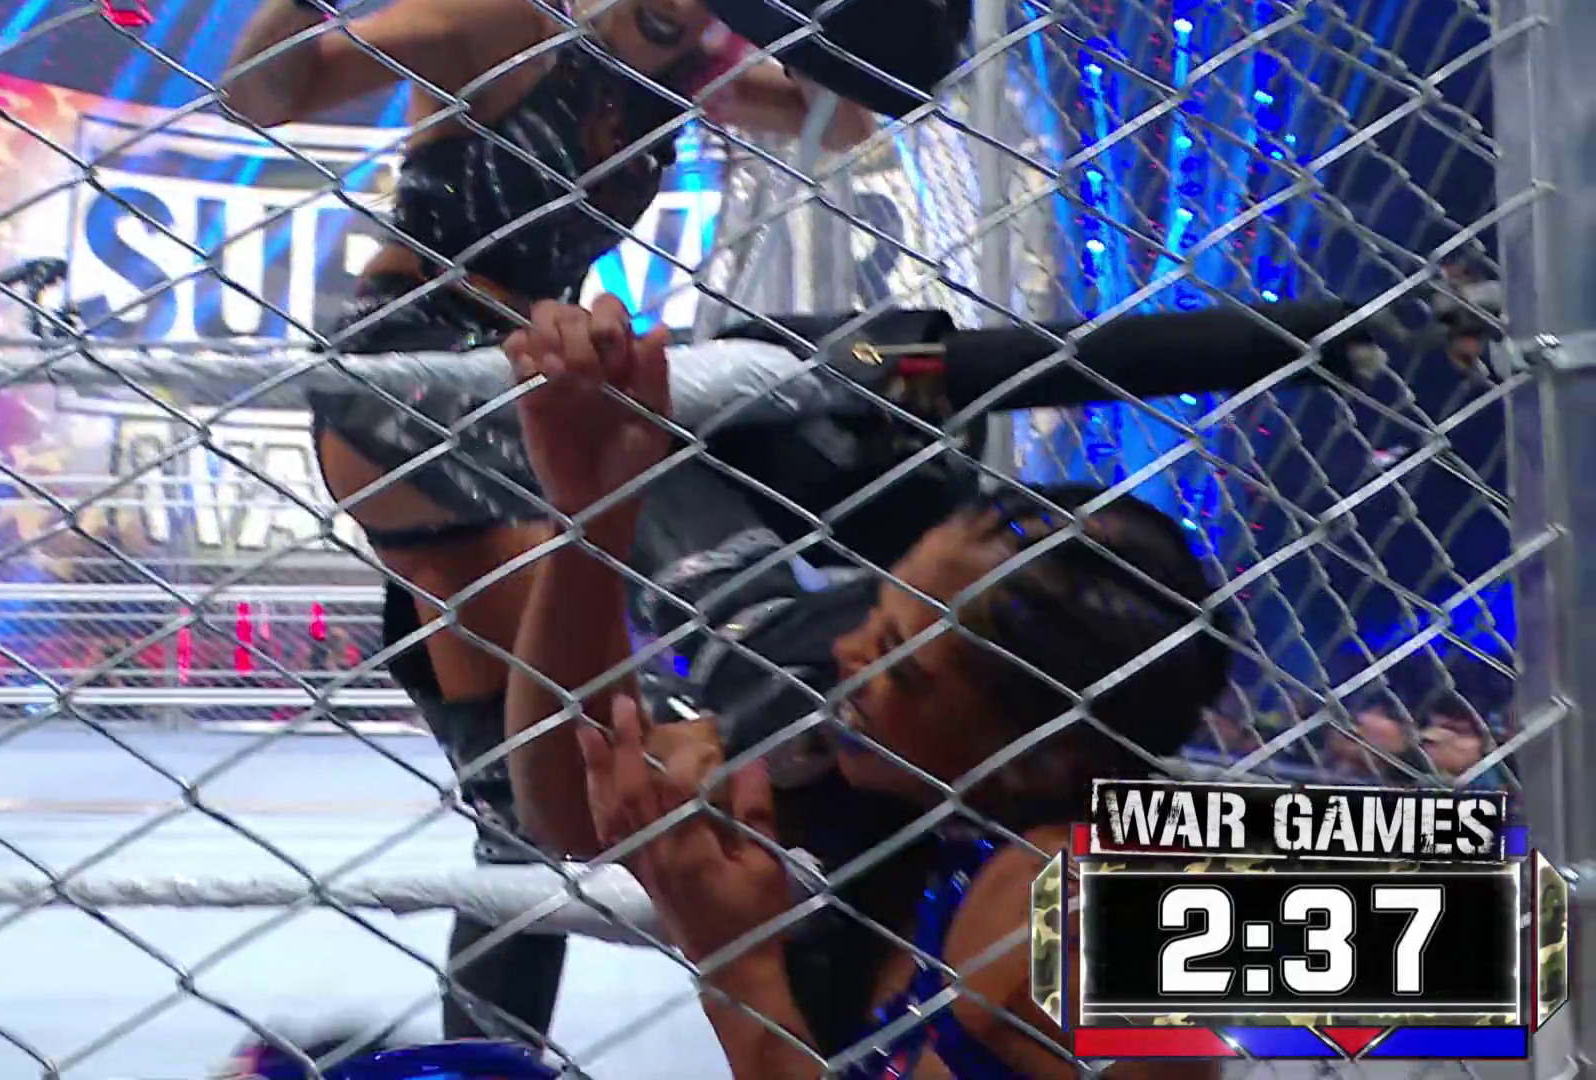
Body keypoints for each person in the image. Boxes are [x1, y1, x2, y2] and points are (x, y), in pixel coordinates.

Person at [222, 0, 879, 1047]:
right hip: (416, 368)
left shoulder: (694, 70)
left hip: (518, 379)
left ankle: (484, 1063)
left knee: (521, 801)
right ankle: (762, 638)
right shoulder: (507, 25)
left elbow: (845, 120)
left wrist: (773, 38)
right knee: (630, 446)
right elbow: (264, 93)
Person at [497, 297, 1229, 1077]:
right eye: (876, 614)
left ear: (1034, 760)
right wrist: (592, 517)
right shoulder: (889, 772)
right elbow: (572, 801)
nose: (848, 651)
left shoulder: (1087, 929)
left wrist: (739, 970)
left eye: (896, 661)